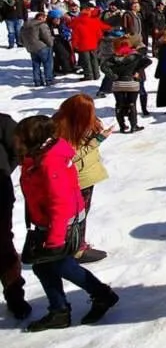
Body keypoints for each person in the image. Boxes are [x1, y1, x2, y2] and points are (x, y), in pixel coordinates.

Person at [14, 115, 118, 332]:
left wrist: (55, 238)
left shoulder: (50, 162)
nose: (17, 142)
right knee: (43, 266)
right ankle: (60, 310)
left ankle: (100, 295)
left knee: (61, 264)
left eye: (20, 138)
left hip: (60, 224)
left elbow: (59, 202)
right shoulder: (40, 155)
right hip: (49, 222)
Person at [52, 94, 113, 263]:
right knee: (78, 215)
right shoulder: (63, 129)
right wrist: (98, 140)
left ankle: (75, 244)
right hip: (79, 177)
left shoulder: (69, 123)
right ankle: (77, 249)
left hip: (84, 175)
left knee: (79, 213)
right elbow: (71, 156)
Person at [0, 112, 31, 320]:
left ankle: (15, 296)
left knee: (2, 244)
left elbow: (19, 150)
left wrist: (4, 172)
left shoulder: (2, 122)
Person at [101, 37, 152, 132]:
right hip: (132, 83)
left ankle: (122, 126)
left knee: (119, 105)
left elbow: (103, 67)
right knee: (132, 104)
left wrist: (113, 76)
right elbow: (148, 61)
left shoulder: (113, 58)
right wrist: (136, 70)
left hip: (118, 84)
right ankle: (134, 126)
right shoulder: (135, 56)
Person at [19, 11, 55, 87]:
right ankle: (49, 80)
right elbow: (46, 36)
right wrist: (51, 44)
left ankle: (37, 82)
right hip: (42, 47)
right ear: (40, 18)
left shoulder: (24, 26)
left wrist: (26, 45)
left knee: (36, 65)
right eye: (44, 17)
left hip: (31, 48)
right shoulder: (41, 25)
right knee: (47, 64)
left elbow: (20, 39)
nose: (45, 19)